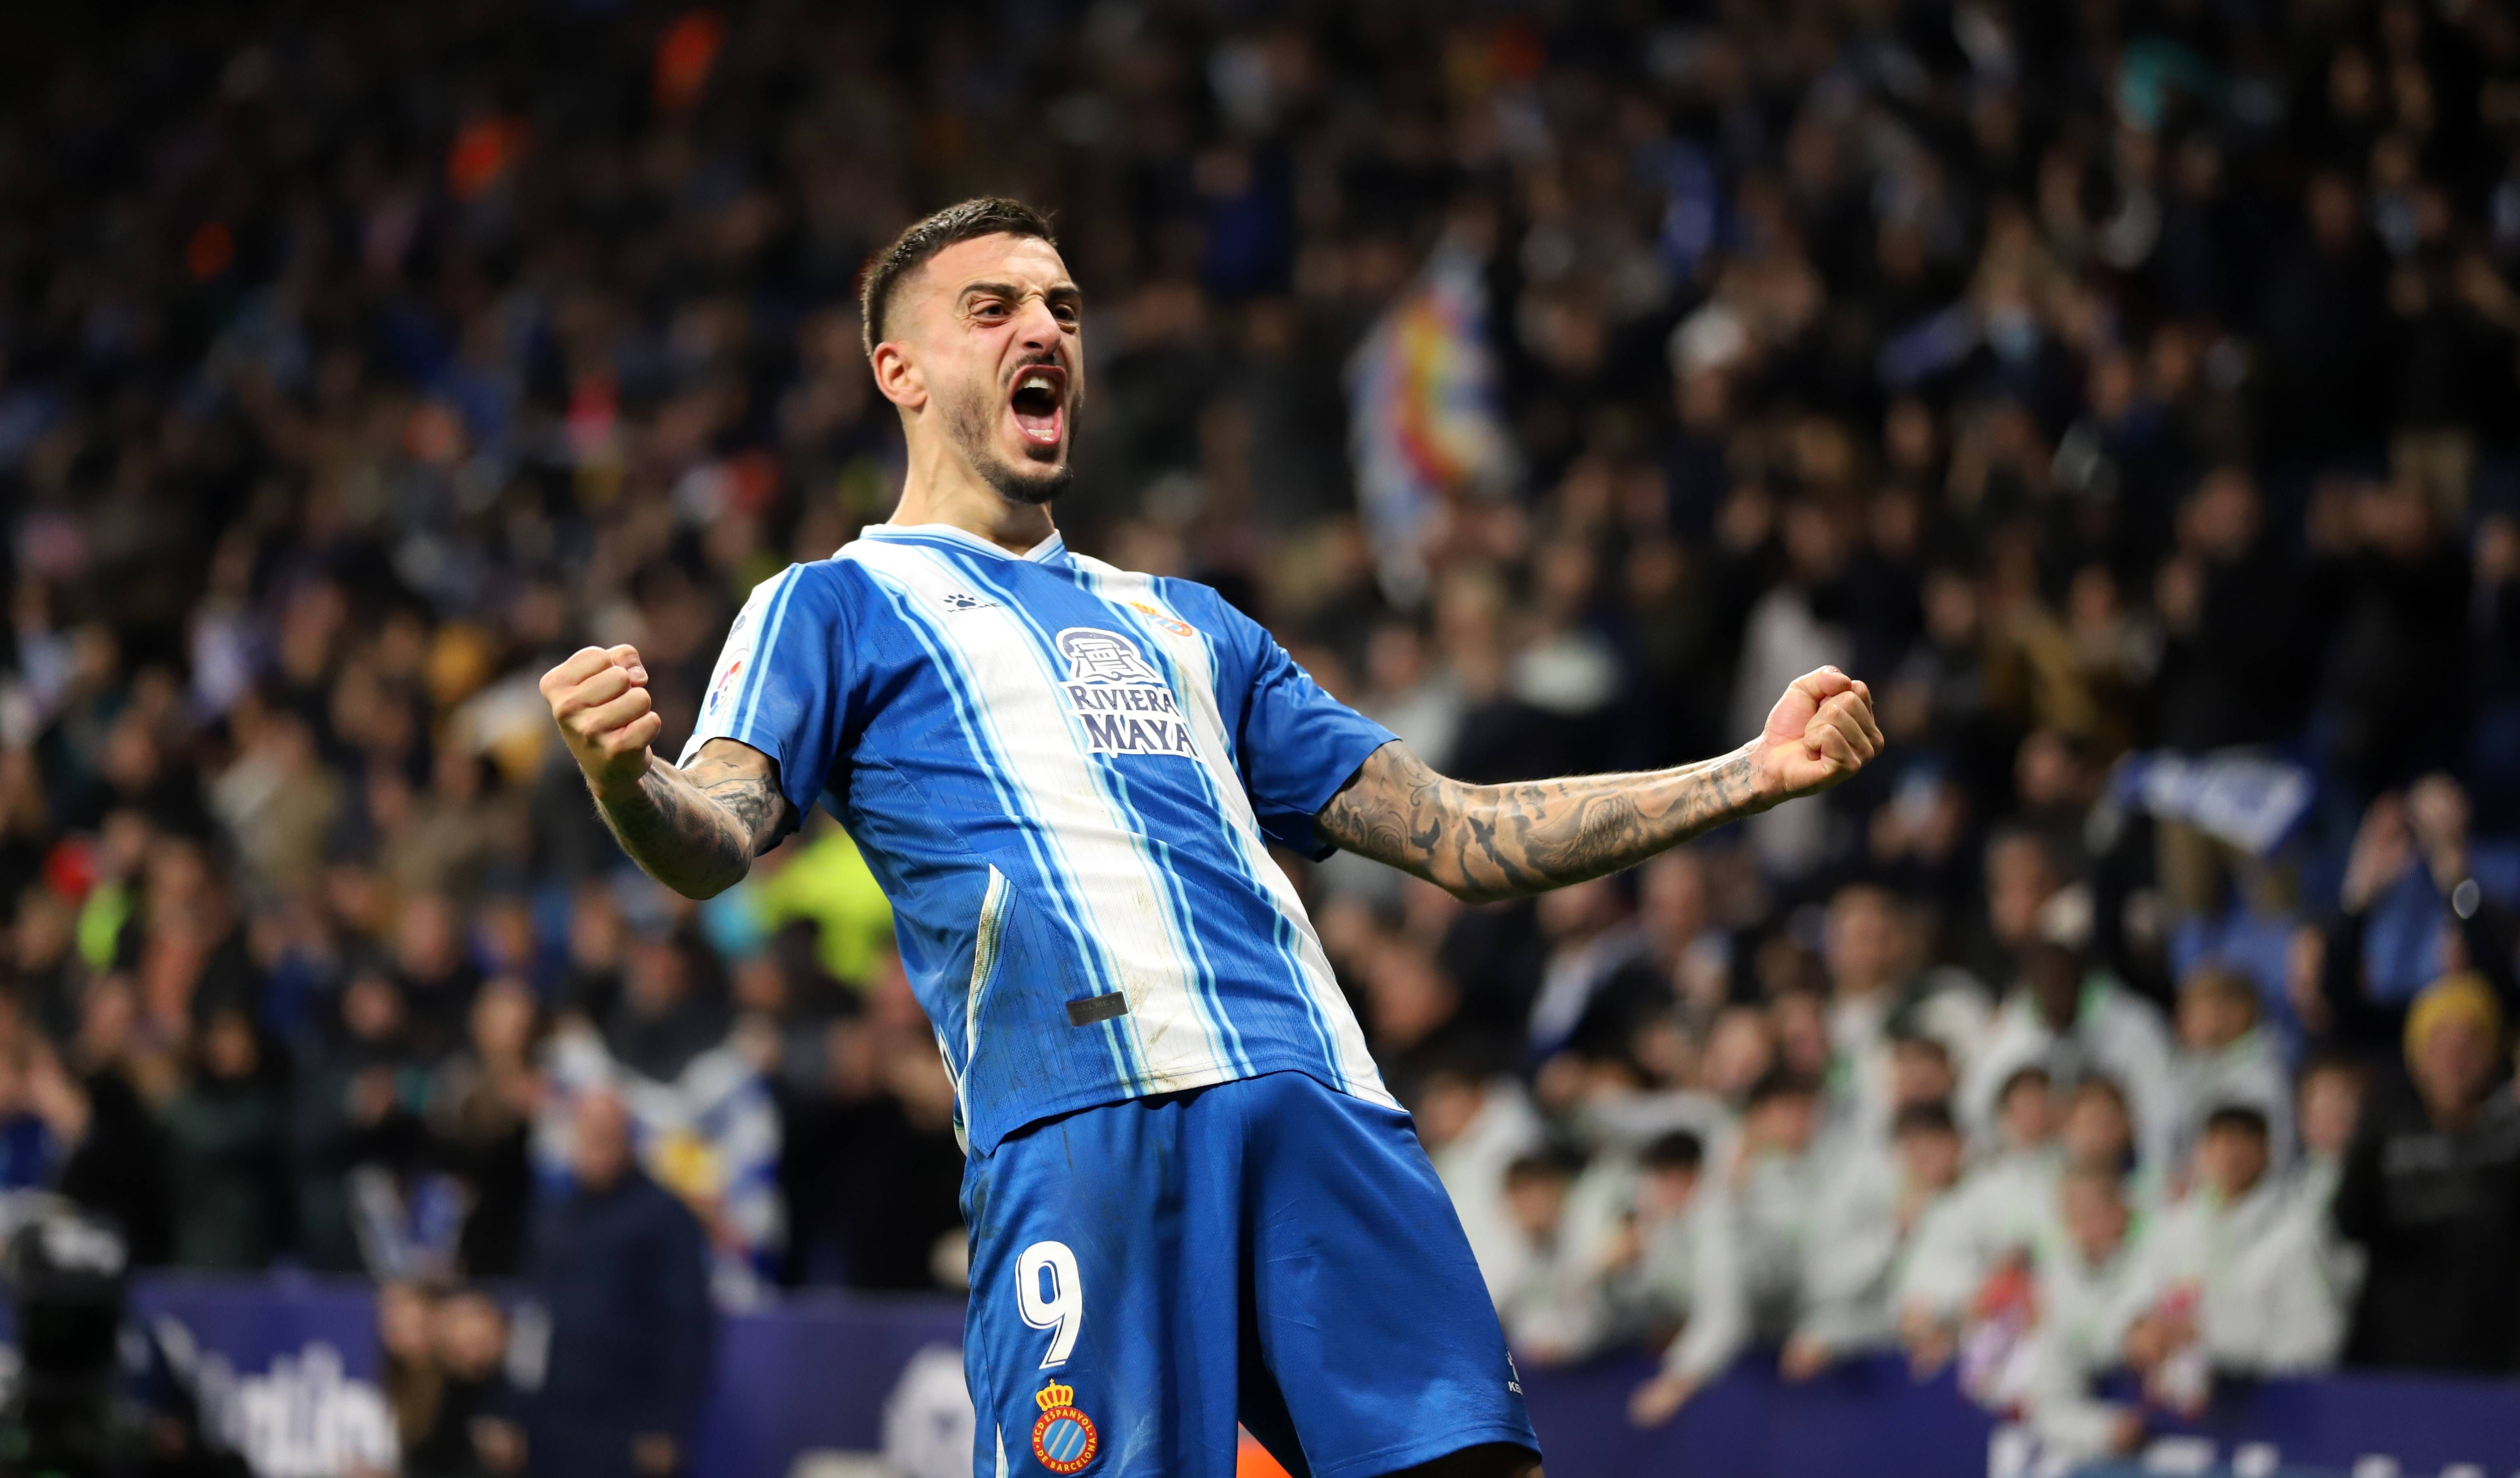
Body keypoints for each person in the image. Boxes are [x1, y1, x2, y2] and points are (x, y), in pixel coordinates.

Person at [537, 198, 1887, 1478]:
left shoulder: (1191, 624)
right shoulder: (831, 606)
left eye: (1063, 308)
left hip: (1320, 1103)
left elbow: (1460, 834)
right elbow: (716, 829)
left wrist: (1746, 774)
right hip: (1085, 1129)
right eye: (993, 308)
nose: (1044, 330)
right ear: (899, 369)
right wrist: (622, 779)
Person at [2331, 973, 2520, 1372]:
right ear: (2415, 1054)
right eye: (2440, 1043)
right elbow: (2347, 1223)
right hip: (2395, 1356)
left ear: (2494, 1052)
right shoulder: (2386, 1125)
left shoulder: (2511, 1133)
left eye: (2470, 1043)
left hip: (2496, 1359)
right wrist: (2366, 1143)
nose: (2455, 1058)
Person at [520, 1091, 711, 1478]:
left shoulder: (666, 1216)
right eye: (589, 1134)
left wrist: (665, 1423)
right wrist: (514, 1408)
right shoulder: (555, 1215)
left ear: (628, 1139)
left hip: (628, 1424)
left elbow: (686, 1326)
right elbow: (533, 1316)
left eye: (608, 1135)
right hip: (552, 1421)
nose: (597, 1146)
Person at [2110, 1105, 2342, 1409]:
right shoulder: (2173, 1226)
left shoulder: (2295, 1235)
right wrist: (2137, 1329)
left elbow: (2314, 1343)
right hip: (2175, 1409)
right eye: (2217, 1143)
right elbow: (2130, 1299)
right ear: (2200, 1152)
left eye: (2241, 1143)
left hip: (2273, 1410)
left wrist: (2209, 1337)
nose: (2228, 1155)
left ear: (2265, 1153)